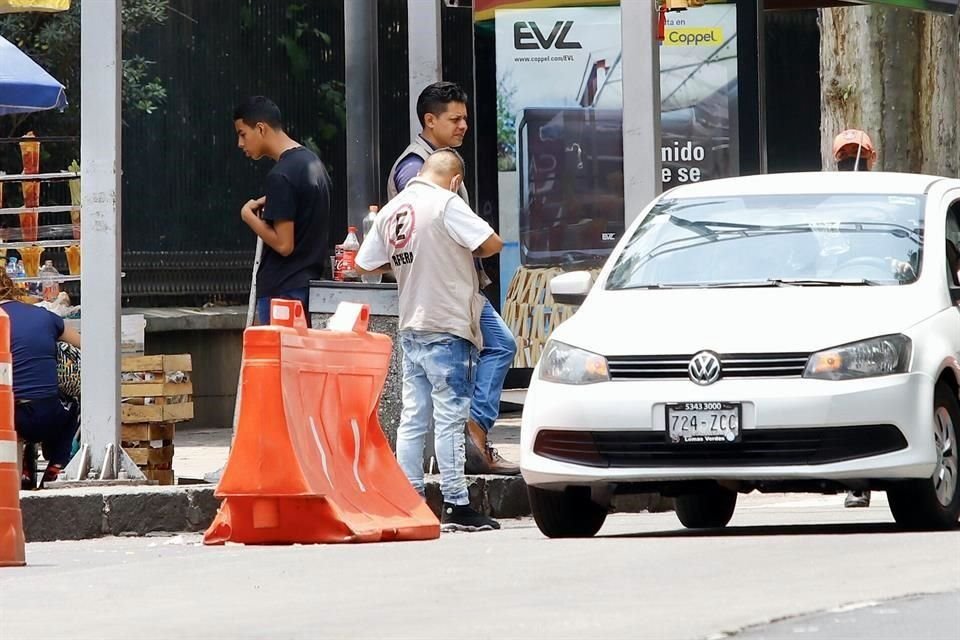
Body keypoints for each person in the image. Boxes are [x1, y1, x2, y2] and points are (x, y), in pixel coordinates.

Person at [357, 150, 504, 532]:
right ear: (455, 181)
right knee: (450, 419)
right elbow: (492, 243)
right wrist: (451, 249)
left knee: (413, 418)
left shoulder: (392, 209)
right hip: (447, 323)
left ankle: (411, 502)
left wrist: (410, 259)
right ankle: (456, 504)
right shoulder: (446, 202)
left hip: (411, 325)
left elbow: (363, 263)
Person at [387, 81, 519, 475]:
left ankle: (470, 439)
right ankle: (465, 450)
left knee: (489, 354)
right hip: (441, 293)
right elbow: (425, 231)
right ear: (430, 121)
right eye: (454, 119)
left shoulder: (438, 163)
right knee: (488, 356)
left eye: (465, 118)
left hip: (455, 289)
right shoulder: (414, 170)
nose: (463, 126)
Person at [233, 96, 331, 326]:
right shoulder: (313, 164)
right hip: (308, 287)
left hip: (282, 292)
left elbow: (284, 245)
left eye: (242, 134)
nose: (240, 143)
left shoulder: (280, 175)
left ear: (260, 128)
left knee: (279, 351)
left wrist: (248, 216)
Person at [0, 272, 81, 488]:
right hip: (48, 414)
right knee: (73, 406)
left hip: (9, 417)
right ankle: (57, 465)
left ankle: (22, 472)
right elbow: (85, 344)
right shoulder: (43, 316)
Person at [834, 127, 876, 509]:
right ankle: (855, 480)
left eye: (856, 157)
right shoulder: (827, 207)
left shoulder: (884, 203)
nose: (852, 163)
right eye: (846, 158)